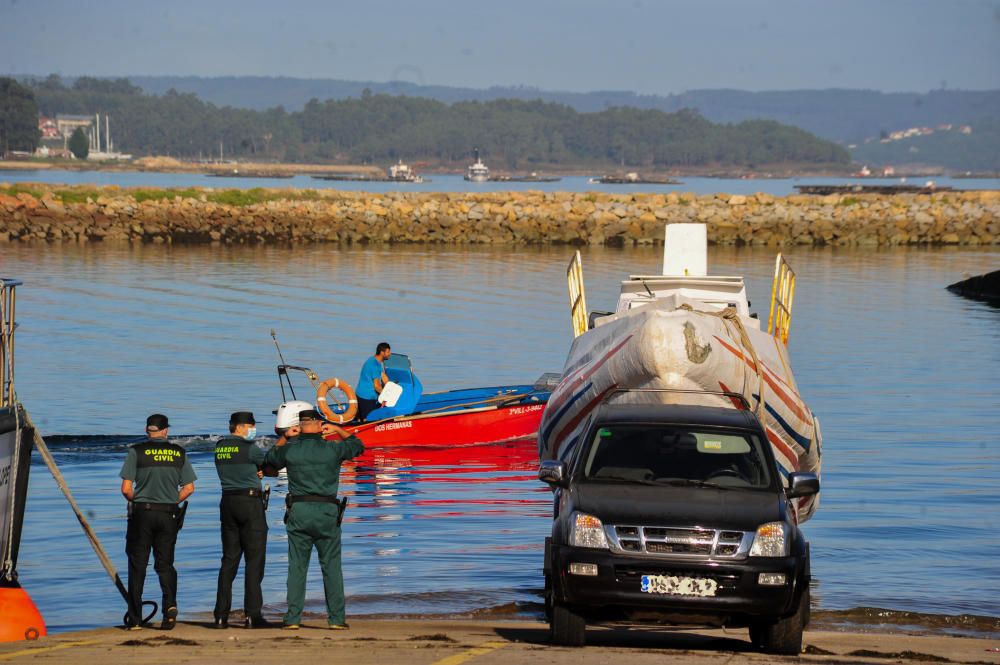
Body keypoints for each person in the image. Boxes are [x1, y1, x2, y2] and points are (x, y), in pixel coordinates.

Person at [264, 409, 364, 630]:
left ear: (299, 426)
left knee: (297, 567)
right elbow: (358, 446)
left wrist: (285, 437)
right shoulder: (332, 448)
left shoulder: (291, 450)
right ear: (320, 425)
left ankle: (292, 619)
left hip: (299, 510)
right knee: (331, 567)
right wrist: (338, 429)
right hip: (327, 511)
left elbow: (270, 459)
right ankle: (336, 620)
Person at [119, 414, 196, 630]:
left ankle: (135, 619)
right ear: (165, 431)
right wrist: (171, 501)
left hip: (142, 514)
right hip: (168, 514)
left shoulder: (136, 452)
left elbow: (125, 489)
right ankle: (169, 608)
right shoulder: (179, 453)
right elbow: (189, 488)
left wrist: (142, 501)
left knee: (138, 566)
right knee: (165, 564)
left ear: (147, 430)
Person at [212, 411, 273, 629]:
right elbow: (271, 467)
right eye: (251, 426)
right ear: (240, 427)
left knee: (229, 561)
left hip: (227, 502)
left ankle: (220, 615)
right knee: (254, 561)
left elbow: (239, 468)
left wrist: (255, 470)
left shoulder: (219, 447)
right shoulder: (250, 448)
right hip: (250, 504)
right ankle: (252, 615)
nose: (253, 430)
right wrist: (262, 469)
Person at [356, 342, 391, 421]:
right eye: (388, 352)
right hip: (367, 397)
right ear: (382, 352)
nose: (390, 354)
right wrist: (386, 396)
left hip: (361, 394)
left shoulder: (374, 361)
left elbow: (383, 376)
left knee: (362, 417)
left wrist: (391, 386)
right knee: (368, 420)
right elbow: (377, 386)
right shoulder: (374, 365)